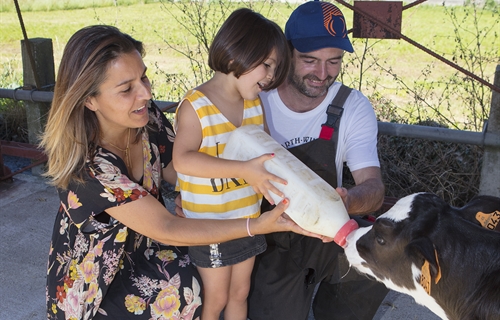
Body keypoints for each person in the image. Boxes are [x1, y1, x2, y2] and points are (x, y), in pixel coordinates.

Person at [41, 25, 318, 320]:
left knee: (213, 278)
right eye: (126, 89)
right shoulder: (90, 170)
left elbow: (177, 169)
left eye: (144, 77)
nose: (146, 93)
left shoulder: (146, 120)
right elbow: (169, 229)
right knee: (186, 291)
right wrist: (255, 225)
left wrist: (200, 194)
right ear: (89, 100)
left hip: (145, 248)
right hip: (97, 284)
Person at [247, 2, 389, 320]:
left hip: (327, 229)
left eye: (334, 61)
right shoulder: (254, 98)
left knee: (378, 255)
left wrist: (348, 200)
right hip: (269, 235)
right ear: (285, 52)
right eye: (310, 61)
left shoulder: (351, 106)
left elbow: (374, 187)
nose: (322, 74)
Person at [172, 8, 291, 320]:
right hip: (208, 226)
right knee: (217, 296)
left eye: (274, 68)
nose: (269, 76)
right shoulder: (196, 107)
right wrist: (242, 170)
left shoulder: (254, 105)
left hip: (247, 220)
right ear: (239, 50)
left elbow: (267, 154)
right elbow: (182, 159)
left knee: (240, 292)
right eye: (266, 65)